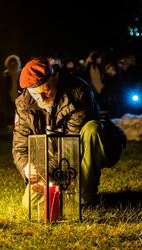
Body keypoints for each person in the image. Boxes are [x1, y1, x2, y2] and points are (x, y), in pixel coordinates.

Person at [12, 57, 126, 208]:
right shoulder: (24, 104)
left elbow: (72, 143)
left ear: (55, 78)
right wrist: (28, 168)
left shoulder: (77, 91)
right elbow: (20, 147)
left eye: (45, 92)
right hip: (51, 155)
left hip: (81, 148)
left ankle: (81, 189)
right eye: (35, 95)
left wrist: (46, 173)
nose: (41, 99)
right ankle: (64, 193)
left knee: (92, 129)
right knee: (30, 205)